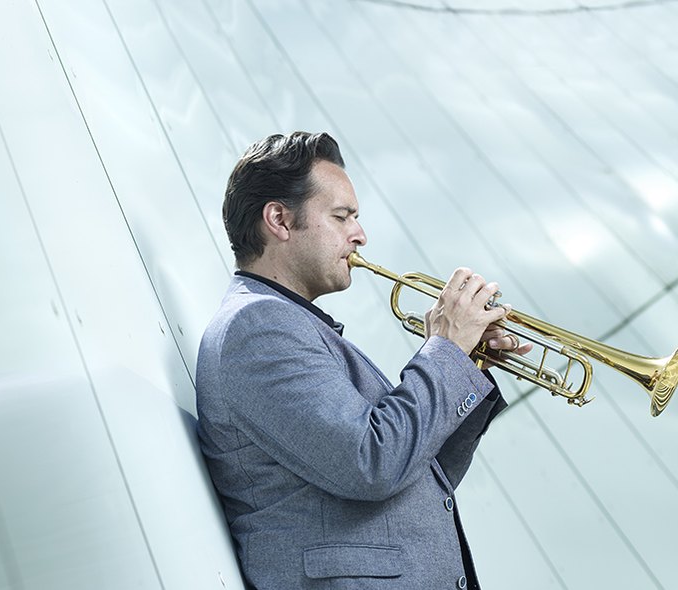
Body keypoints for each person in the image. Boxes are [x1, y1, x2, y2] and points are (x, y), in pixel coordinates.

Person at [195, 132, 530, 590]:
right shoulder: (257, 325)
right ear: (279, 219)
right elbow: (372, 462)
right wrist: (446, 352)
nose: (360, 235)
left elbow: (418, 475)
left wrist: (468, 365)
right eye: (342, 216)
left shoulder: (292, 324)